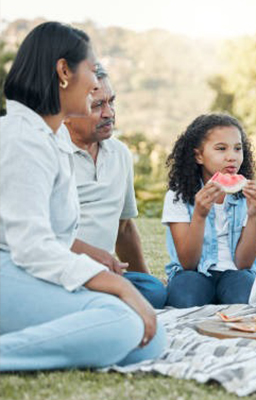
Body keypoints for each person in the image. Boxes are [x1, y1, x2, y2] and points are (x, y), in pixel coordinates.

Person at [0, 22, 165, 371]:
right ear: (63, 71)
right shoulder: (21, 139)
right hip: (10, 270)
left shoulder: (50, 137)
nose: (95, 84)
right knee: (123, 320)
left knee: (149, 339)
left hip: (30, 272)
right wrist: (119, 287)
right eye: (91, 69)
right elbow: (32, 246)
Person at [63, 65, 167, 308]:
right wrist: (88, 255)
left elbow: (124, 228)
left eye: (111, 102)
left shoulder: (120, 153)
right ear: (66, 113)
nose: (109, 113)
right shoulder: (50, 154)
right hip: (60, 271)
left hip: (105, 275)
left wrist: (147, 279)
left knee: (154, 292)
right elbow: (38, 236)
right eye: (97, 105)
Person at [163, 114, 256, 307]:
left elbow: (244, 264)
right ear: (198, 156)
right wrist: (199, 215)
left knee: (246, 295)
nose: (232, 156)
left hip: (234, 274)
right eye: (221, 149)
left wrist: (253, 215)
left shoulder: (245, 194)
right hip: (194, 273)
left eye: (238, 148)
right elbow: (188, 263)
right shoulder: (178, 196)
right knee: (185, 296)